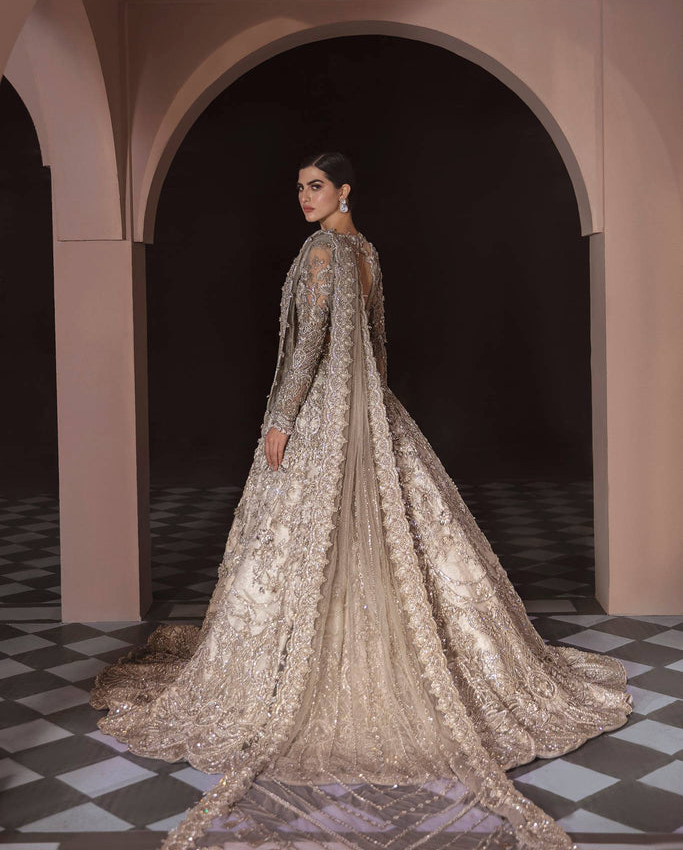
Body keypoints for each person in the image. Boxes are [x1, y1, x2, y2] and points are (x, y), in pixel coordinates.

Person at [90, 152, 632, 850]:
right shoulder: (366, 252)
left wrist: (283, 417)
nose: (304, 198)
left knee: (304, 543)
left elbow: (310, 343)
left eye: (315, 186)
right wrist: (371, 416)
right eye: (298, 188)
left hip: (320, 415)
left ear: (345, 189)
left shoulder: (323, 252)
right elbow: (376, 350)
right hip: (367, 412)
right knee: (386, 538)